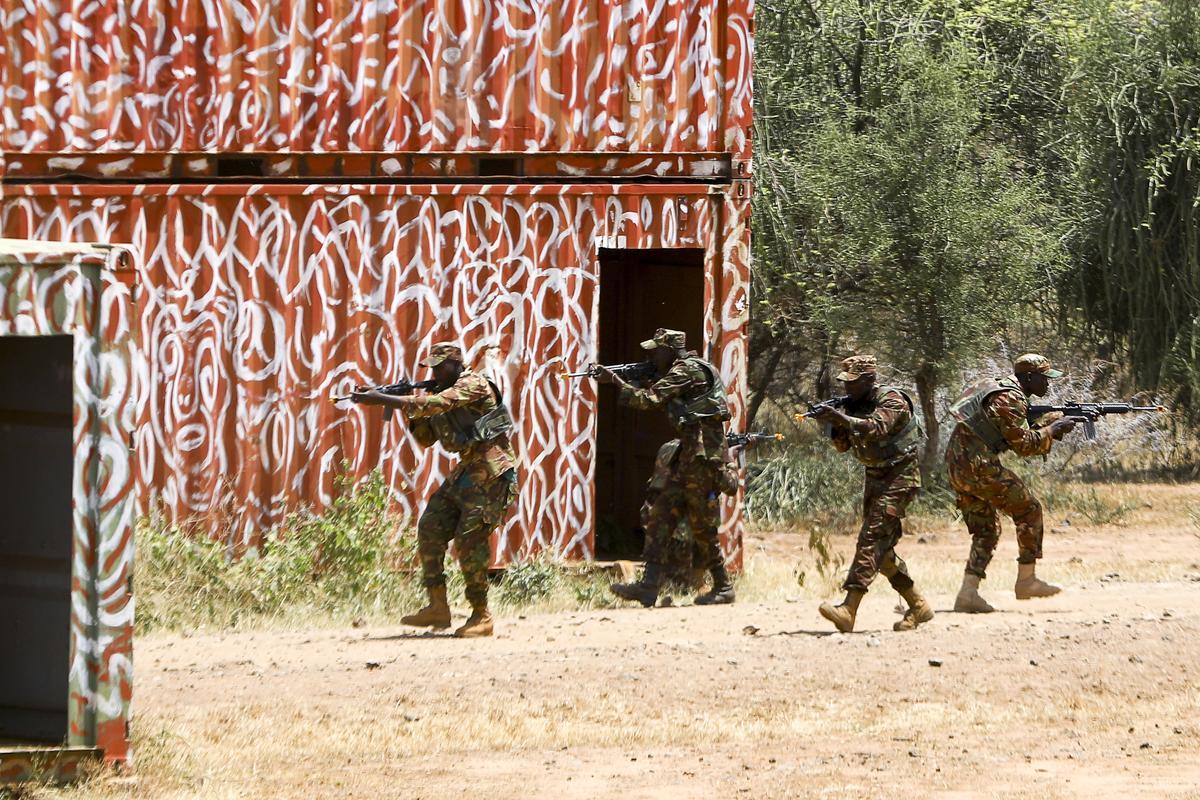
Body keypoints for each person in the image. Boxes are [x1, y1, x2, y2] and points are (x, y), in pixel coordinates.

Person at [352, 342, 518, 637]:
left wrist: (387, 400)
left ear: (456, 365)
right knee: (430, 526)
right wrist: (404, 406)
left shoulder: (473, 384)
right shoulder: (438, 394)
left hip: (493, 471)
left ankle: (482, 615)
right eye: (433, 367)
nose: (435, 372)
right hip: (469, 471)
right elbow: (426, 439)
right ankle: (438, 608)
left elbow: (442, 404)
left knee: (469, 541)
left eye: (441, 367)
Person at [597, 328, 735, 607]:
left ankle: (723, 586)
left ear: (670, 350)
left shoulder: (685, 371)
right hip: (688, 456)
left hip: (702, 457)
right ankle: (649, 586)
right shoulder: (692, 368)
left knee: (701, 524)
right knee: (660, 514)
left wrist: (615, 382)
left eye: (656, 350)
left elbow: (650, 400)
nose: (652, 355)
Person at [946, 353, 1076, 613]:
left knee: (987, 530)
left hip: (958, 466)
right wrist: (1052, 430)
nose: (1048, 385)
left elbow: (1011, 431)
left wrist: (1046, 425)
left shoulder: (998, 389)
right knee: (1028, 509)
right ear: (1028, 377)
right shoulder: (1009, 398)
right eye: (1044, 379)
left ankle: (967, 594)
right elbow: (1025, 445)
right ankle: (1026, 580)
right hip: (977, 467)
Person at [812, 355, 933, 633]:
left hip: (900, 476)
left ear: (869, 380)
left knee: (871, 539)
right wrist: (834, 424)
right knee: (882, 549)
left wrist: (841, 417)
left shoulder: (892, 400)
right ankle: (918, 605)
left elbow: (877, 428)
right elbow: (843, 447)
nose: (847, 389)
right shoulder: (853, 405)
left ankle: (849, 609)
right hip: (876, 476)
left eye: (853, 383)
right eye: (845, 383)